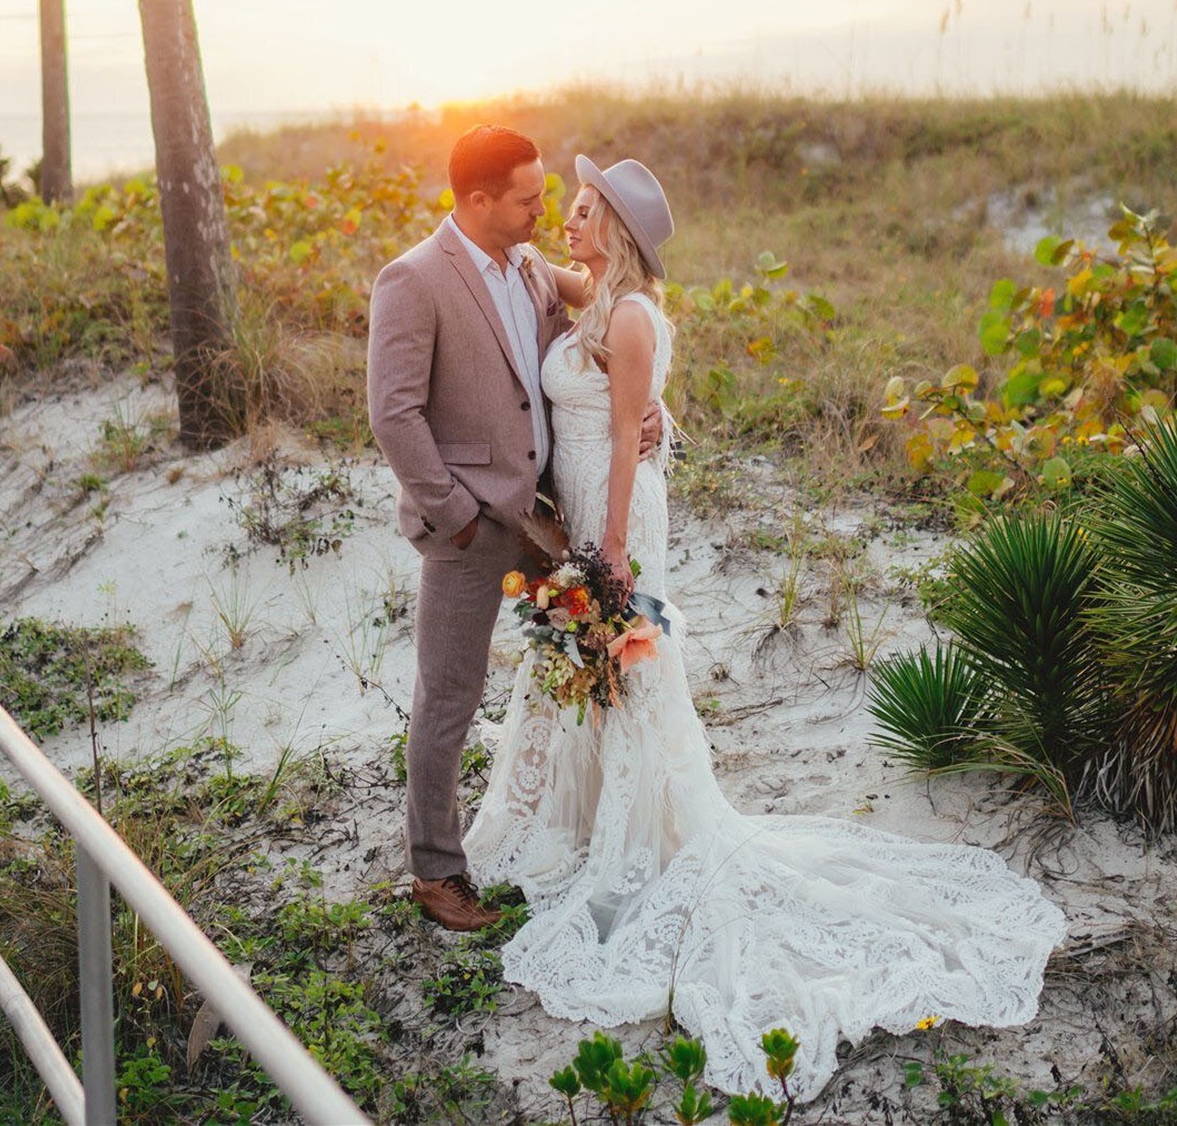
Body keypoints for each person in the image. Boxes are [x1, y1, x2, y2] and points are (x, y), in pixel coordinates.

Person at [465, 156, 1066, 1101]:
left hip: (618, 515)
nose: (567, 224)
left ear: (613, 229)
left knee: (628, 672)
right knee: (583, 675)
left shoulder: (627, 315)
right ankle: (574, 827)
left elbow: (628, 432)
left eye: (583, 214)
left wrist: (613, 549)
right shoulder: (595, 291)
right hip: (584, 504)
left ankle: (641, 841)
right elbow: (567, 298)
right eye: (568, 210)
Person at [367, 125, 655, 933]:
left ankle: (589, 826)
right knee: (449, 696)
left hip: (546, 516)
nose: (542, 210)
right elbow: (393, 414)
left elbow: (588, 346)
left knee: (585, 668)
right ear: (478, 199)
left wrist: (648, 405)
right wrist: (453, 516)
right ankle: (436, 872)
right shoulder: (414, 279)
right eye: (528, 198)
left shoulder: (529, 267)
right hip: (467, 528)